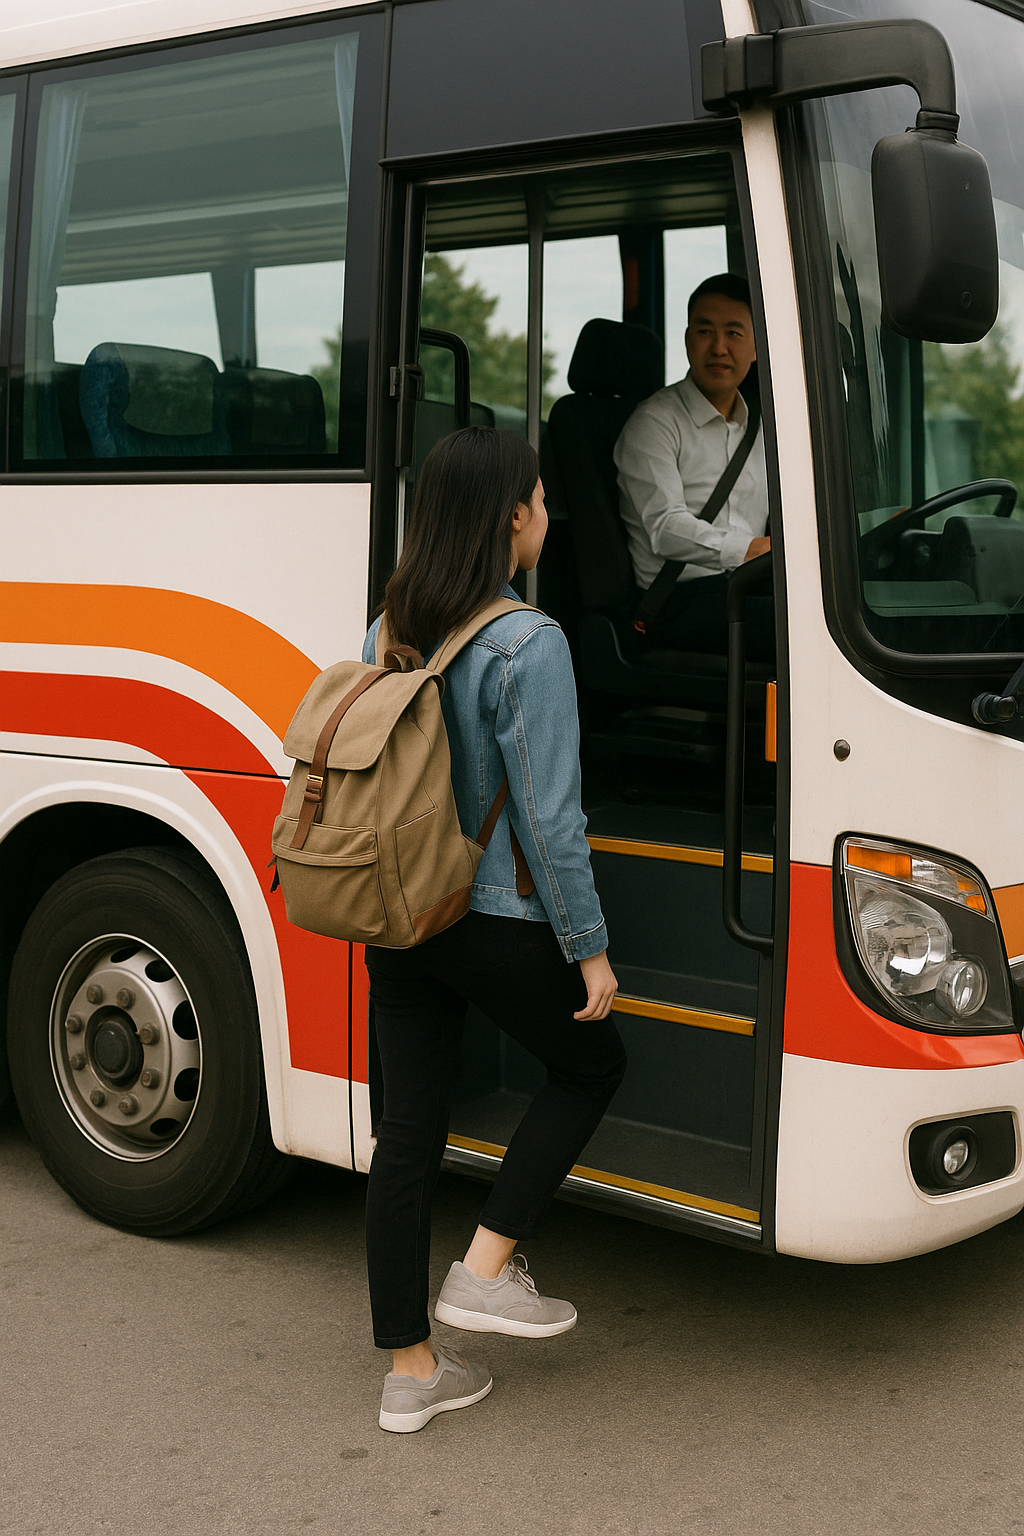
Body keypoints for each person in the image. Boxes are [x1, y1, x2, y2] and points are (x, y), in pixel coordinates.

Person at [362, 426, 626, 1434]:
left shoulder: (385, 627)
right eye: (543, 500)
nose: (548, 515)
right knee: (593, 1066)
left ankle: (410, 1374)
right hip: (491, 918)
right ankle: (484, 1267)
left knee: (406, 1138)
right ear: (512, 517)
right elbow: (549, 820)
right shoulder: (529, 641)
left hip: (399, 913)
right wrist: (588, 948)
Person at [613, 272, 774, 661]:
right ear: (687, 339)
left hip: (747, 585)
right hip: (677, 601)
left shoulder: (764, 430)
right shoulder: (654, 423)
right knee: (803, 627)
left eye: (734, 333)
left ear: (757, 347)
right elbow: (665, 528)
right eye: (705, 331)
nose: (718, 347)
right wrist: (752, 549)